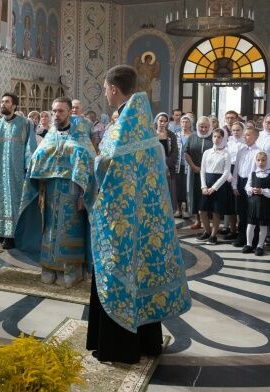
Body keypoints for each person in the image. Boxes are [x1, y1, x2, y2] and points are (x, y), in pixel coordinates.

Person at [86, 65, 191, 364]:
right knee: (142, 275)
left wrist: (89, 166)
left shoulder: (120, 130)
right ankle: (147, 342)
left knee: (120, 275)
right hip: (146, 220)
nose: (105, 92)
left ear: (115, 89)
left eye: (106, 87)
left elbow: (105, 169)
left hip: (119, 223)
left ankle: (118, 347)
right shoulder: (143, 126)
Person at [15, 97, 95, 287]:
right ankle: (49, 267)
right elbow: (37, 157)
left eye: (61, 111)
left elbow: (88, 159)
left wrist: (85, 193)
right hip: (50, 190)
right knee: (50, 229)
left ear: (69, 112)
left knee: (69, 229)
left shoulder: (80, 136)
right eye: (54, 111)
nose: (57, 115)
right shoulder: (50, 135)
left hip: (73, 191)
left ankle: (71, 270)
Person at [0, 93, 37, 249]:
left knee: (14, 201)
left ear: (14, 106)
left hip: (17, 171)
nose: (3, 104)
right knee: (0, 200)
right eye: (2, 101)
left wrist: (28, 169)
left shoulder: (25, 123)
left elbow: (30, 147)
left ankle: (13, 235)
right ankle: (2, 232)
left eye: (7, 102)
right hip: (0, 170)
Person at [198, 129, 232, 245]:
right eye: (214, 137)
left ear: (223, 139)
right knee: (202, 210)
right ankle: (207, 231)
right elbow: (202, 170)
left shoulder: (226, 154)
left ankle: (213, 235)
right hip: (207, 183)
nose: (216, 139)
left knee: (216, 212)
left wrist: (214, 187)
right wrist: (203, 186)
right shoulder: (207, 152)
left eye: (219, 137)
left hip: (219, 185)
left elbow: (226, 173)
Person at [232, 127, 260, 247]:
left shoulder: (259, 151)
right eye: (245, 135)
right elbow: (236, 169)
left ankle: (254, 240)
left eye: (248, 135)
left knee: (252, 213)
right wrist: (234, 185)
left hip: (253, 183)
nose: (245, 137)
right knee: (241, 212)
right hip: (240, 182)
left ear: (255, 137)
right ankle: (241, 237)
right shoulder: (241, 150)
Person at [184, 116, 213, 231]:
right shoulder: (192, 137)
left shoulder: (213, 137)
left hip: (210, 173)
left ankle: (209, 222)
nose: (204, 129)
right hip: (195, 171)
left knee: (208, 196)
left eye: (206, 127)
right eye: (201, 126)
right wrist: (193, 166)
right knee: (196, 195)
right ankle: (198, 220)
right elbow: (186, 152)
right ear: (197, 126)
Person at [243, 151, 270, 256]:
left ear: (267, 161)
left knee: (263, 226)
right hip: (253, 203)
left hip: (265, 204)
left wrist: (262, 191)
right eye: (258, 160)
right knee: (250, 224)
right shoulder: (253, 174)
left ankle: (259, 246)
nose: (260, 162)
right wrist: (251, 189)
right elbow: (247, 186)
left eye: (263, 160)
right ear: (255, 161)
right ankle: (249, 244)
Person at [155, 112, 179, 210]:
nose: (162, 123)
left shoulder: (171, 135)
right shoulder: (151, 134)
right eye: (161, 121)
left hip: (168, 168)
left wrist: (166, 164)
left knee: (168, 191)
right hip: (154, 167)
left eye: (165, 121)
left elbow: (175, 152)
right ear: (156, 121)